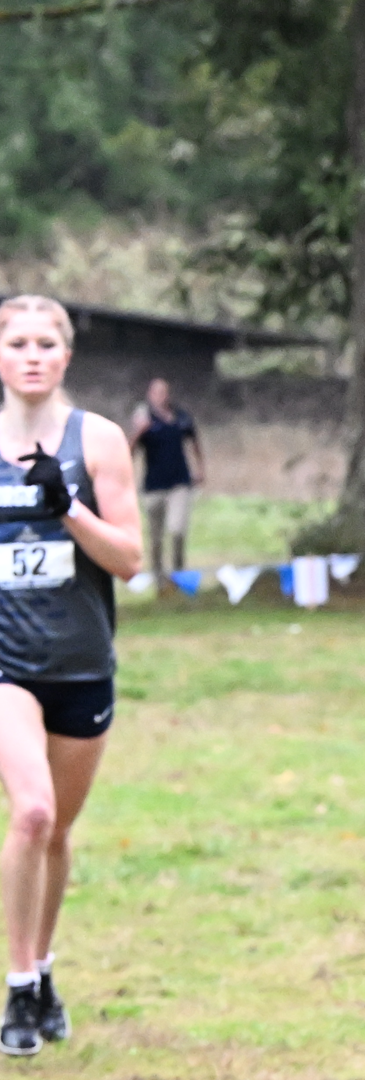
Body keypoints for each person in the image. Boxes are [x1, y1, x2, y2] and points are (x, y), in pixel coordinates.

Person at [0, 295, 143, 1055]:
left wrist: (72, 513)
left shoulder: (101, 440)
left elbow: (130, 558)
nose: (31, 354)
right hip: (3, 669)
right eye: (16, 340)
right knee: (29, 812)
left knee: (56, 832)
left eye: (45, 342)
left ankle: (45, 967)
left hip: (82, 666)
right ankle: (19, 989)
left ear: (65, 356)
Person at [127, 377, 203, 580]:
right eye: (156, 393)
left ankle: (179, 575)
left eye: (164, 392)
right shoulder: (145, 418)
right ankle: (159, 580)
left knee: (177, 529)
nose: (161, 397)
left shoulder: (181, 417)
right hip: (154, 484)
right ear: (150, 396)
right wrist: (139, 432)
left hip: (180, 481)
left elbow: (194, 442)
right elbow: (129, 452)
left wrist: (200, 469)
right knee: (155, 538)